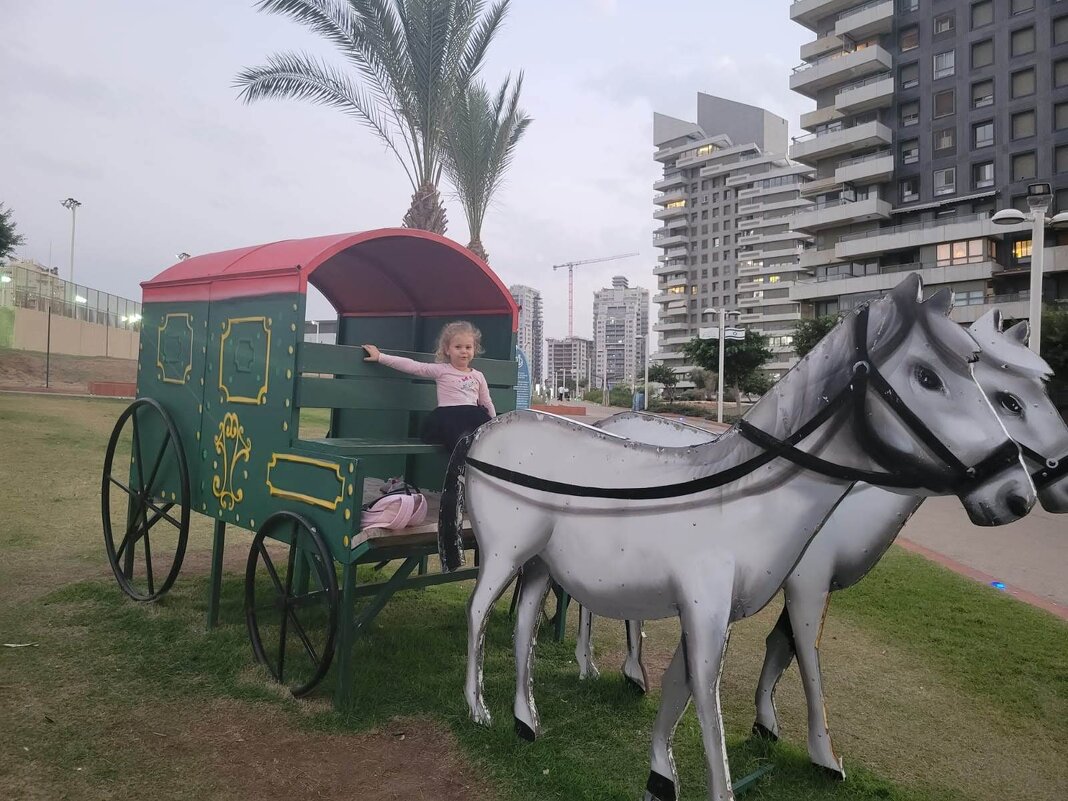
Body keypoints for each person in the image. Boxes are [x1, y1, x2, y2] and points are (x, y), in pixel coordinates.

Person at [362, 320, 496, 453]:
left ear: (474, 349)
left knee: (482, 434)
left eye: (468, 347)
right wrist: (380, 357)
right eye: (458, 347)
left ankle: (471, 453)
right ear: (447, 350)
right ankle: (461, 453)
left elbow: (486, 401)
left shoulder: (478, 375)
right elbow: (414, 366)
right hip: (449, 416)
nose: (463, 351)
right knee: (457, 432)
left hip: (471, 416)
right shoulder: (442, 370)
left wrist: (495, 425)